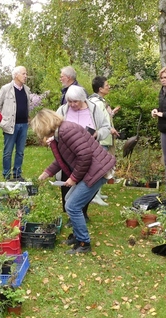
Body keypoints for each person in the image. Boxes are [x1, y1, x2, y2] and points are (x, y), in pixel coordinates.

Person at [31, 108, 116, 254]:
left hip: (98, 170)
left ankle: (83, 243)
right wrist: (46, 173)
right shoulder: (61, 132)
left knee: (72, 205)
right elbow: (63, 158)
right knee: (70, 199)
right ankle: (77, 236)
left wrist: (73, 178)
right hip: (93, 169)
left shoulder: (67, 131)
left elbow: (85, 156)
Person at [56, 85, 111, 223]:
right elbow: (54, 127)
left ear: (82, 99)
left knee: (86, 183)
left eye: (76, 102)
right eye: (70, 101)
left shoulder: (94, 109)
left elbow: (106, 127)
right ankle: (71, 213)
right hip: (68, 153)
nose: (73, 105)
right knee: (67, 182)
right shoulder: (63, 110)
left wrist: (97, 134)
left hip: (87, 152)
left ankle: (83, 212)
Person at [89, 76, 121, 204]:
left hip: (105, 138)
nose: (109, 87)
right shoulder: (96, 102)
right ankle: (94, 196)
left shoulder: (100, 101)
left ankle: (98, 193)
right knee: (99, 168)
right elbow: (97, 121)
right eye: (107, 85)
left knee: (102, 167)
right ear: (100, 88)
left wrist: (112, 113)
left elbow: (104, 117)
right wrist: (110, 129)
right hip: (101, 140)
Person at [0, 66, 30, 181]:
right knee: (8, 152)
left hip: (24, 125)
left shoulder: (27, 90)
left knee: (20, 152)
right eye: (24, 74)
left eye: (26, 74)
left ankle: (17, 174)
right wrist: (1, 122)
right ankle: (6, 176)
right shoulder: (6, 89)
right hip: (10, 125)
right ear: (16, 75)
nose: (26, 76)